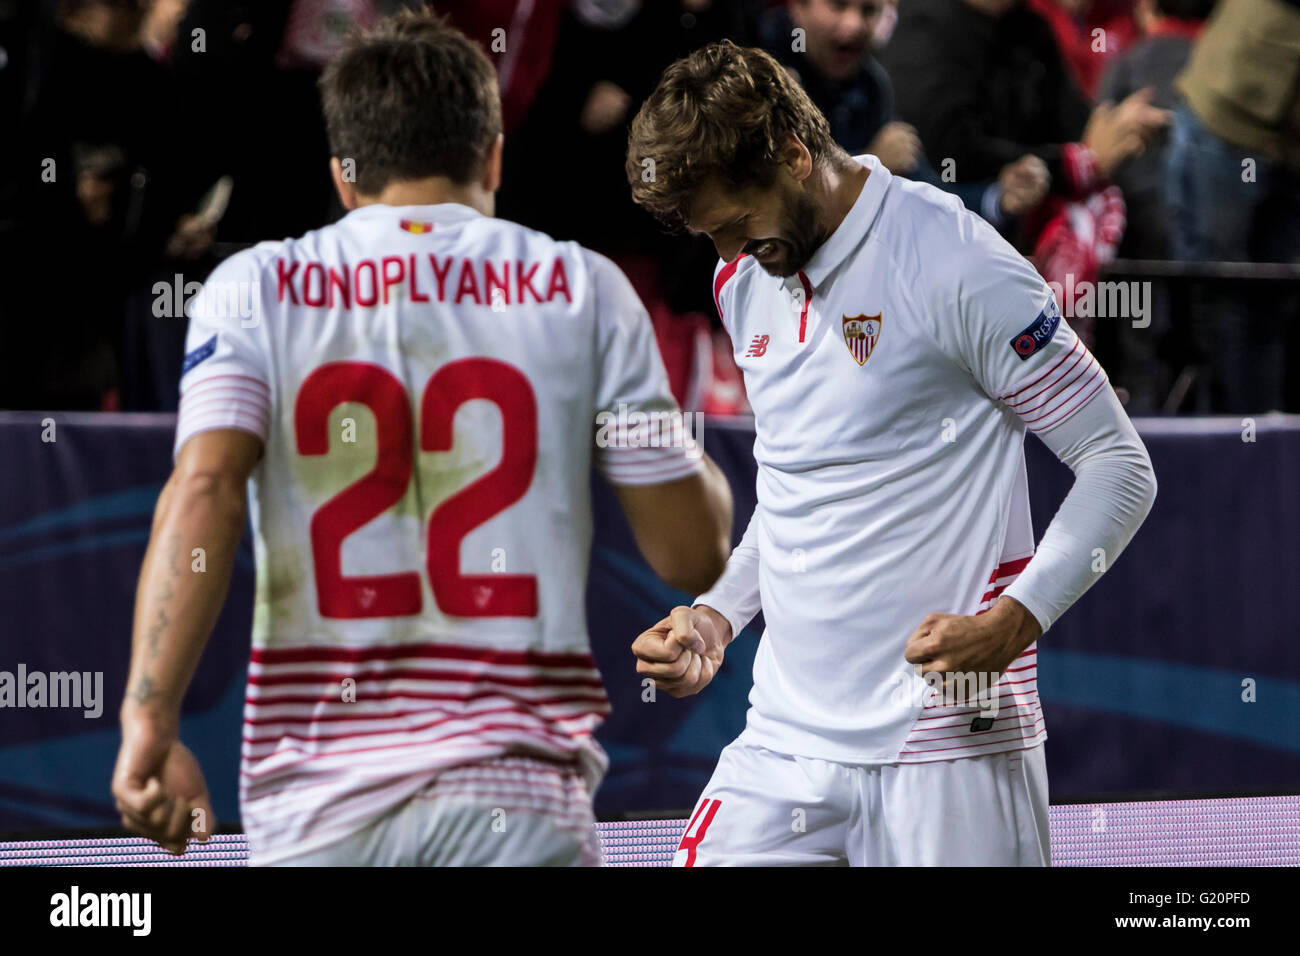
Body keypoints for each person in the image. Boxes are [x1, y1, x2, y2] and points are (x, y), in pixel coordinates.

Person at [110, 9, 733, 867]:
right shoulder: (583, 290)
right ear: (493, 156)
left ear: (341, 173)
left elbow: (205, 491)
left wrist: (149, 718)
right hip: (519, 805)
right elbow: (693, 556)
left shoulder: (251, 286)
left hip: (323, 811)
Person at [625, 41, 1157, 866]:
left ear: (796, 158)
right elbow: (799, 488)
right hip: (784, 740)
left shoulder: (957, 261)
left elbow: (1119, 466)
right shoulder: (743, 282)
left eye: (736, 225)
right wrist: (716, 616)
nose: (728, 256)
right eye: (713, 237)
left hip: (953, 741)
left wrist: (1013, 622)